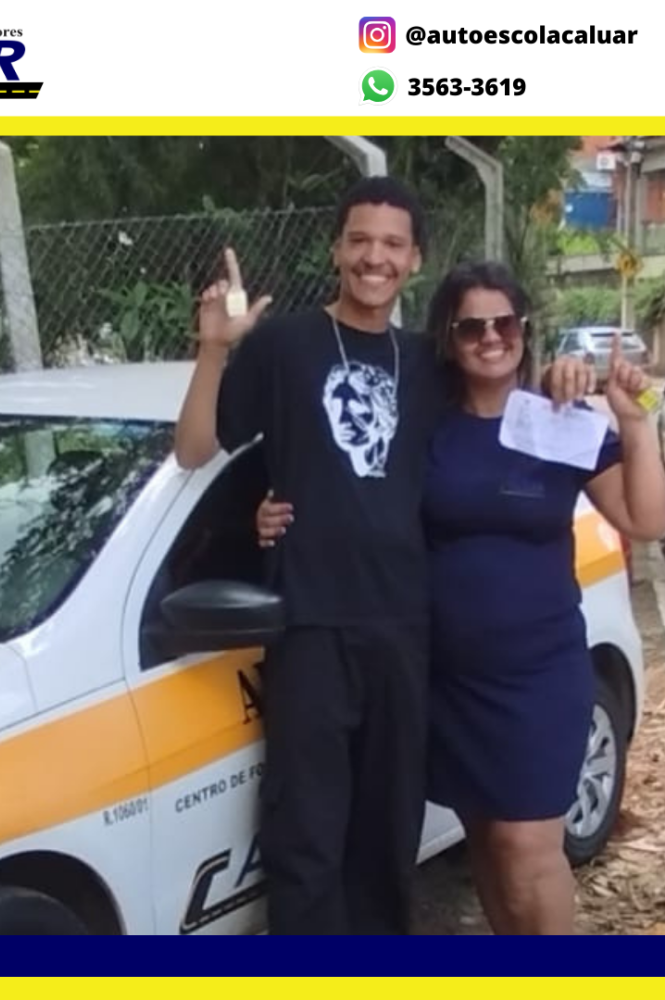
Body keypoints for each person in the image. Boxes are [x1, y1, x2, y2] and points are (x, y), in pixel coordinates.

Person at [173, 176, 592, 936]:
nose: (376, 257)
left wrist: (566, 375)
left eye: (393, 244)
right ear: (336, 249)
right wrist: (213, 350)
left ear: (414, 259)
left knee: (387, 838)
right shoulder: (283, 346)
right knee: (306, 838)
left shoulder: (429, 362)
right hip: (311, 627)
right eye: (360, 240)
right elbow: (195, 449)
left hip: (409, 631)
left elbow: (500, 389)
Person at [255, 260, 665, 935]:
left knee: (527, 847)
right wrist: (264, 510)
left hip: (538, 674)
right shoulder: (423, 427)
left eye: (504, 323)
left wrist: (636, 421)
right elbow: (343, 481)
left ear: (524, 330)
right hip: (448, 677)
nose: (490, 337)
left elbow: (645, 519)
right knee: (489, 845)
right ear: (448, 336)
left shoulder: (558, 420)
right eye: (472, 326)